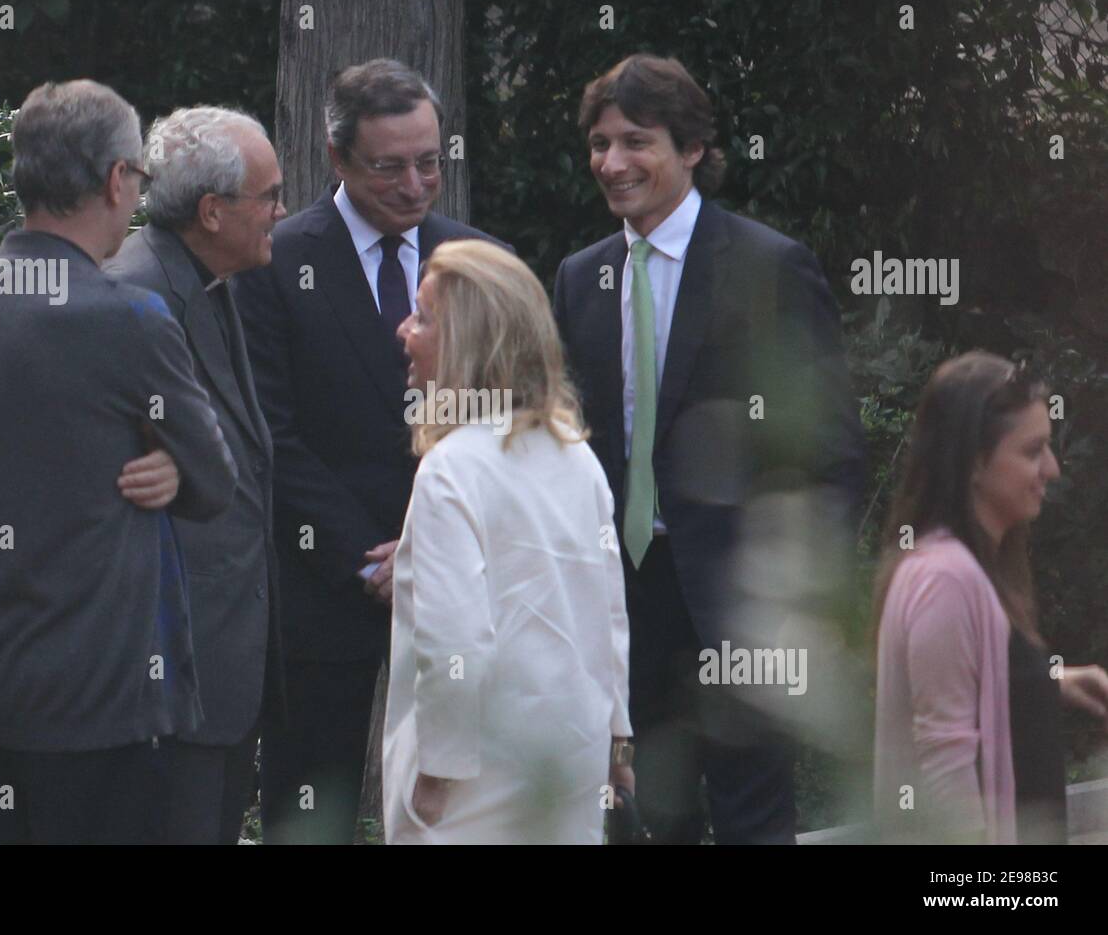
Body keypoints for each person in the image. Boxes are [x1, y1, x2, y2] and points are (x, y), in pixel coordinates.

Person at [553, 53, 866, 844]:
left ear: (691, 147)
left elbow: (830, 455)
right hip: (621, 599)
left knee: (754, 814)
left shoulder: (768, 267)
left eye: (635, 140)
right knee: (638, 811)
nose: (612, 162)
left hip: (741, 601)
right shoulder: (578, 278)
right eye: (599, 143)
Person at [0, 80, 238, 844]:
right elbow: (215, 481)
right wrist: (172, 468)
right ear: (114, 179)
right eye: (138, 177)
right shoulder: (128, 315)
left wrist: (165, 465)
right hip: (99, 700)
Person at [232, 58, 506, 844]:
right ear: (338, 159)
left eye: (430, 161)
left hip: (458, 584)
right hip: (326, 586)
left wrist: (427, 548)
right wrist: (370, 558)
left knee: (457, 810)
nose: (417, 185)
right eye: (390, 167)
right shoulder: (276, 261)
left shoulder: (479, 258)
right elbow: (271, 434)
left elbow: (501, 419)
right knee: (308, 808)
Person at [382, 239, 633, 844]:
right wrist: (618, 744)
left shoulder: (450, 471)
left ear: (469, 340)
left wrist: (436, 774)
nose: (403, 331)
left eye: (423, 316)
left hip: (474, 784)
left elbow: (455, 642)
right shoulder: (578, 459)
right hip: (568, 764)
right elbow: (610, 619)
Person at [105, 106, 287, 844]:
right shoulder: (138, 297)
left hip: (219, 668)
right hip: (166, 676)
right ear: (212, 212)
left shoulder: (214, 281)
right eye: (270, 196)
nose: (282, 210)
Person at [873, 351, 1108, 844]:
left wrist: (1049, 682)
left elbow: (968, 682)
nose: (1053, 469)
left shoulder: (967, 568)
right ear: (974, 461)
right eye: (1032, 451)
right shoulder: (945, 580)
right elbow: (947, 784)